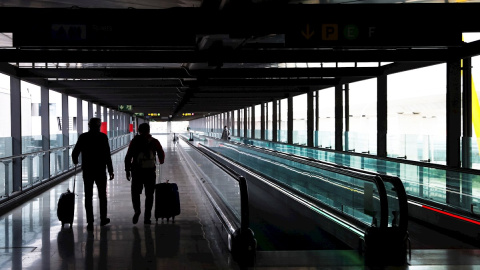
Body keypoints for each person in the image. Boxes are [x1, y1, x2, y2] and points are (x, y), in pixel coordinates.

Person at [72, 117, 114, 231]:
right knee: (102, 196)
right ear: (99, 126)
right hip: (100, 170)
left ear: (89, 125)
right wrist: (110, 170)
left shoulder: (83, 137)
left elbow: (75, 152)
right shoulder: (102, 137)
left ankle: (90, 222)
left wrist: (75, 160)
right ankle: (103, 218)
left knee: (88, 196)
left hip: (88, 170)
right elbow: (107, 155)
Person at [124, 123, 165, 225]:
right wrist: (160, 160)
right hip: (150, 171)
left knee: (135, 193)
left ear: (139, 131)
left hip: (137, 171)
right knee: (149, 195)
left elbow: (128, 156)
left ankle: (137, 210)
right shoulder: (154, 141)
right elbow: (161, 153)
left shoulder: (134, 141)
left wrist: (127, 170)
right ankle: (147, 217)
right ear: (149, 130)